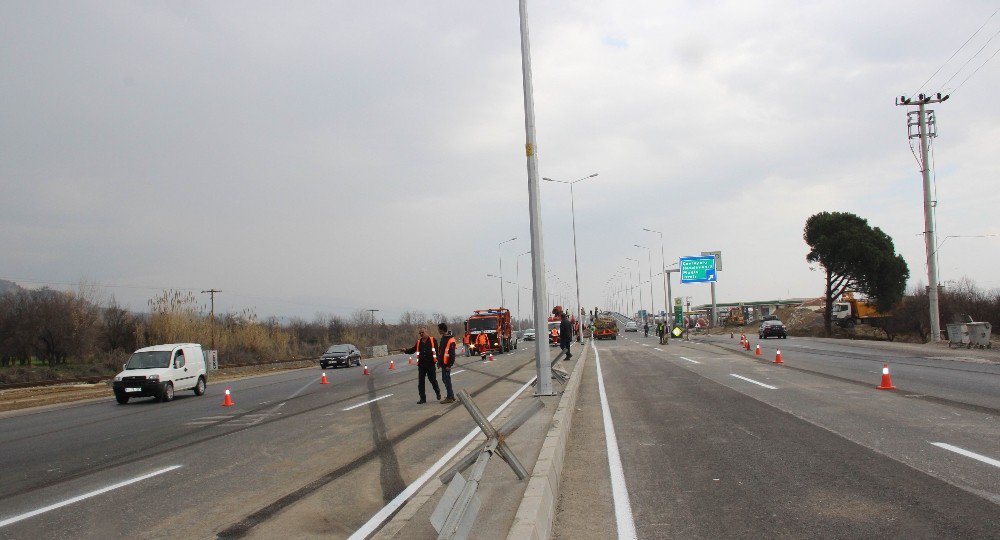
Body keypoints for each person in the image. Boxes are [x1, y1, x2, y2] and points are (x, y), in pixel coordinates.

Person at [401, 326, 441, 404]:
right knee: (421, 382)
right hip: (422, 365)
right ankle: (423, 398)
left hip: (431, 364)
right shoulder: (419, 342)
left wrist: (439, 362)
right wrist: (405, 350)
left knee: (432, 380)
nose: (421, 334)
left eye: (422, 332)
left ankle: (437, 392)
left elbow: (437, 351)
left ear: (426, 332)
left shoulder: (433, 340)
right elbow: (413, 350)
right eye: (420, 333)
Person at [436, 322, 457, 404]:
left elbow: (452, 354)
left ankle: (449, 397)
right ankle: (451, 395)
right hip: (443, 363)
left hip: (447, 364)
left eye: (438, 329)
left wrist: (449, 365)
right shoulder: (444, 338)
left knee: (446, 380)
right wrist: (439, 362)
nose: (438, 330)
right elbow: (441, 352)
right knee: (445, 380)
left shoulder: (450, 339)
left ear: (441, 329)